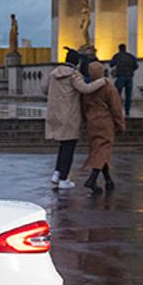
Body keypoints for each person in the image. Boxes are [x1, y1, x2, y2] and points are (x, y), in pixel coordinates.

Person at [45, 48, 110, 189]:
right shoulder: (73, 75)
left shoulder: (53, 73)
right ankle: (63, 179)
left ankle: (56, 174)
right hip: (69, 115)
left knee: (63, 145)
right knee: (69, 146)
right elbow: (85, 88)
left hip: (55, 113)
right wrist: (102, 81)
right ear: (77, 62)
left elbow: (44, 89)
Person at [79, 60, 126, 192]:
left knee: (98, 150)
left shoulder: (87, 88)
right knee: (103, 149)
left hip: (91, 122)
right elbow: (116, 108)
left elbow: (83, 107)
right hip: (105, 122)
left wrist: (84, 120)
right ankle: (92, 179)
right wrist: (120, 124)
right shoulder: (108, 87)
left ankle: (108, 180)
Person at [109, 44, 138, 116]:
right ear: (125, 48)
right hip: (129, 77)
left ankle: (117, 110)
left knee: (117, 95)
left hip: (120, 77)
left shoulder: (117, 56)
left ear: (119, 49)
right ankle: (127, 111)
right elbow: (136, 66)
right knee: (128, 95)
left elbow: (111, 64)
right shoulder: (130, 56)